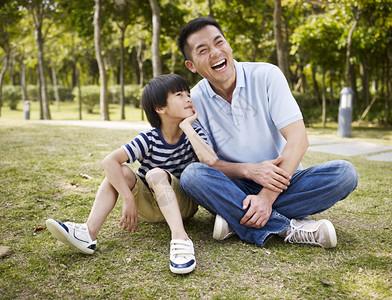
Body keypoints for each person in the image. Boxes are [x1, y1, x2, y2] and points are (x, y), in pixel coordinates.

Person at [177, 17, 358, 248]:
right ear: (191, 66)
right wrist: (249, 170)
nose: (215, 53)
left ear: (229, 45)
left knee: (344, 174)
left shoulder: (266, 75)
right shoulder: (193, 102)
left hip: (283, 180)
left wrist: (265, 197)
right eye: (203, 50)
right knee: (192, 175)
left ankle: (236, 218)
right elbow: (208, 162)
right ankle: (287, 228)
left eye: (219, 42)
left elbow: (298, 139)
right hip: (234, 184)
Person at [46, 74, 217, 274]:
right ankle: (88, 232)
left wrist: (187, 127)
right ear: (160, 108)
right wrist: (127, 197)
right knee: (119, 171)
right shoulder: (149, 137)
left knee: (154, 174)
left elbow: (210, 161)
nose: (188, 98)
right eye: (179, 94)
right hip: (149, 206)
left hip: (183, 206)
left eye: (188, 93)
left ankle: (180, 239)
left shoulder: (193, 132)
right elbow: (109, 161)